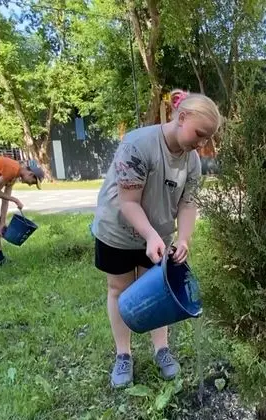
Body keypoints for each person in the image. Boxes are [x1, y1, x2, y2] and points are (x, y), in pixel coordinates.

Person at [91, 89, 221, 388]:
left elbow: (188, 203)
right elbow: (128, 203)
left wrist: (184, 238)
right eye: (199, 134)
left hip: (159, 235)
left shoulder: (192, 161)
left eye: (207, 139)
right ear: (182, 116)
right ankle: (123, 355)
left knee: (158, 291)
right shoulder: (138, 145)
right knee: (119, 289)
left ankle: (162, 349)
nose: (201, 144)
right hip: (119, 230)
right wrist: (149, 235)